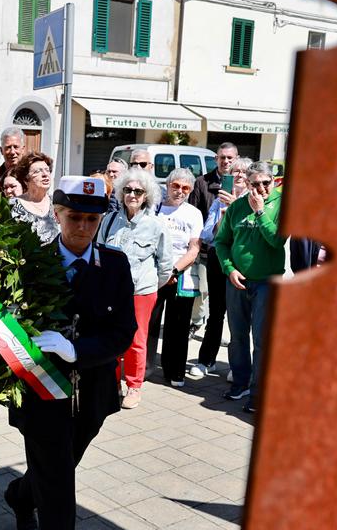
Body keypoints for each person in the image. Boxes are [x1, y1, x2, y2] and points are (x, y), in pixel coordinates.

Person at [4, 175, 135, 530]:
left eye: (91, 218)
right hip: (42, 397)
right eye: (74, 216)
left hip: (92, 396)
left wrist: (79, 350)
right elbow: (4, 324)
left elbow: (124, 333)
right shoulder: (31, 261)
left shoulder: (115, 265)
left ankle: (19, 496)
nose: (82, 226)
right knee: (60, 490)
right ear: (56, 214)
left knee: (55, 472)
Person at [97, 168, 173, 409]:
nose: (132, 194)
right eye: (128, 190)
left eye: (138, 191)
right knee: (114, 337)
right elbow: (99, 254)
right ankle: (114, 383)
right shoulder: (109, 220)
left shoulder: (155, 224)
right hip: (113, 291)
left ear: (146, 195)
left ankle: (134, 386)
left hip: (142, 292)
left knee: (136, 340)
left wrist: (150, 286)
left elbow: (165, 264)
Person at [215, 162, 285, 413]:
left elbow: (277, 240)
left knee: (262, 338)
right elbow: (221, 242)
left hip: (267, 281)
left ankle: (259, 392)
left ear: (274, 181)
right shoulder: (236, 207)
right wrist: (229, 268)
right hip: (237, 281)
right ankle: (241, 383)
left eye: (266, 182)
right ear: (247, 183)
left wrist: (259, 212)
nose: (261, 188)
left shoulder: (282, 204)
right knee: (237, 335)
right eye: (255, 184)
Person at [190, 157, 251, 379]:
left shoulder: (253, 201)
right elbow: (207, 235)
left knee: (239, 316)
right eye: (235, 171)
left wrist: (235, 208)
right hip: (218, 258)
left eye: (244, 172)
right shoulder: (219, 201)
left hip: (241, 262)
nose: (239, 175)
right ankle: (207, 360)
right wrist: (222, 219)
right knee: (216, 312)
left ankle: (238, 366)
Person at [146, 168, 202, 387]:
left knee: (177, 327)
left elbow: (193, 248)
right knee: (150, 324)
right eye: (175, 186)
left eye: (185, 188)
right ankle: (145, 368)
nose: (179, 191)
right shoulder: (154, 209)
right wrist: (160, 272)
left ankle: (175, 371)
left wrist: (173, 271)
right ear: (167, 185)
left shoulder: (193, 213)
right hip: (153, 274)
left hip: (181, 275)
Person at [9, 151, 59, 244]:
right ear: (25, 179)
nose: (45, 174)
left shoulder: (58, 204)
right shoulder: (12, 205)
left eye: (47, 170)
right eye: (37, 171)